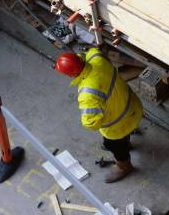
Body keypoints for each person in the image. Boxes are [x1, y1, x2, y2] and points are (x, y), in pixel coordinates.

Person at [54, 48, 143, 183]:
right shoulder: (97, 57)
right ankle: (127, 142)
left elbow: (91, 123)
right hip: (132, 105)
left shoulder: (87, 93)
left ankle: (124, 166)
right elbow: (91, 51)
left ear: (71, 75)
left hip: (117, 125)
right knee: (124, 134)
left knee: (114, 145)